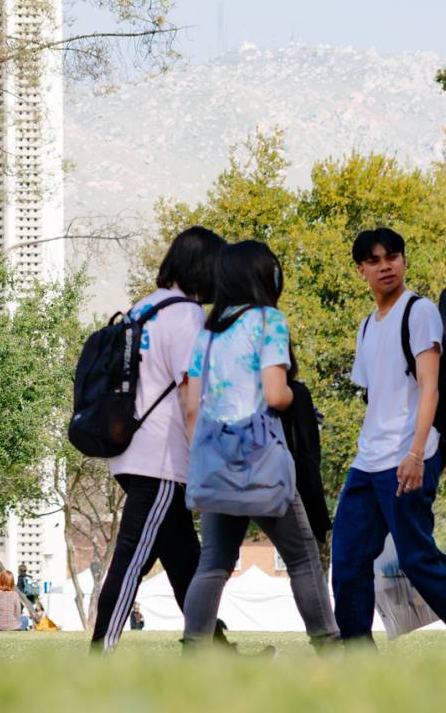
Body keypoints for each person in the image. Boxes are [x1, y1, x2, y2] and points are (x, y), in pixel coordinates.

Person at [180, 240, 339, 648]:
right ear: (264, 277)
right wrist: (294, 397)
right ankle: (328, 645)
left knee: (212, 562)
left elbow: (192, 408)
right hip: (261, 460)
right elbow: (274, 394)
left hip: (215, 461)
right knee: (303, 557)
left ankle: (194, 651)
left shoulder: (207, 334)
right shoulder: (269, 320)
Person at [90, 226, 224, 651]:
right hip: (162, 460)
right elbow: (191, 395)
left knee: (186, 560)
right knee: (131, 560)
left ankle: (216, 652)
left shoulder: (140, 310)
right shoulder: (186, 316)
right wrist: (204, 459)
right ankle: (99, 655)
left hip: (130, 451)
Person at [331, 228, 446, 641]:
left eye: (393, 257)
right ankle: (356, 659)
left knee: (417, 560)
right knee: (346, 562)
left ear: (403, 260)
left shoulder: (420, 312)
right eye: (375, 261)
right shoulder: (366, 326)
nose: (386, 266)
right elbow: (376, 395)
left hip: (408, 456)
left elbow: (429, 387)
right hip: (367, 462)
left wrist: (416, 454)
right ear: (361, 270)